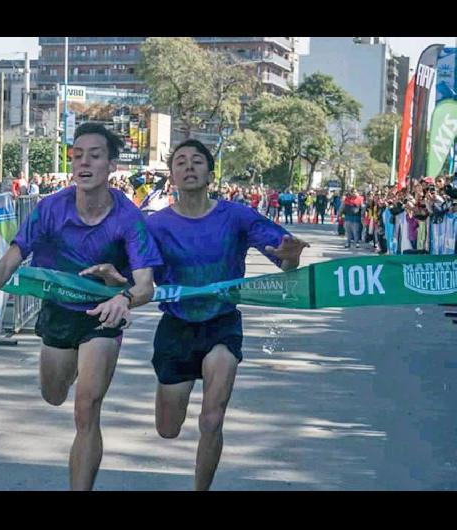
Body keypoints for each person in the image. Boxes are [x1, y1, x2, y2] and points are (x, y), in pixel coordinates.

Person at [0, 123, 162, 490]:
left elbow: (146, 286)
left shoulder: (129, 218)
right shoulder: (50, 209)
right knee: (54, 394)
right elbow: (11, 260)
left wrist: (122, 294)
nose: (84, 163)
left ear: (110, 165)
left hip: (102, 316)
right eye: (77, 156)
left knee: (86, 408)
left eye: (94, 156)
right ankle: (72, 368)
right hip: (59, 313)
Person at [88, 139, 308, 490]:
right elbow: (138, 278)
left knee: (212, 419)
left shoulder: (236, 216)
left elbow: (284, 260)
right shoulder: (157, 225)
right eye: (180, 163)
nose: (189, 167)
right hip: (176, 328)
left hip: (222, 325)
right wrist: (116, 278)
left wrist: (292, 255)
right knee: (168, 428)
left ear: (210, 171)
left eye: (196, 161)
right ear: (172, 175)